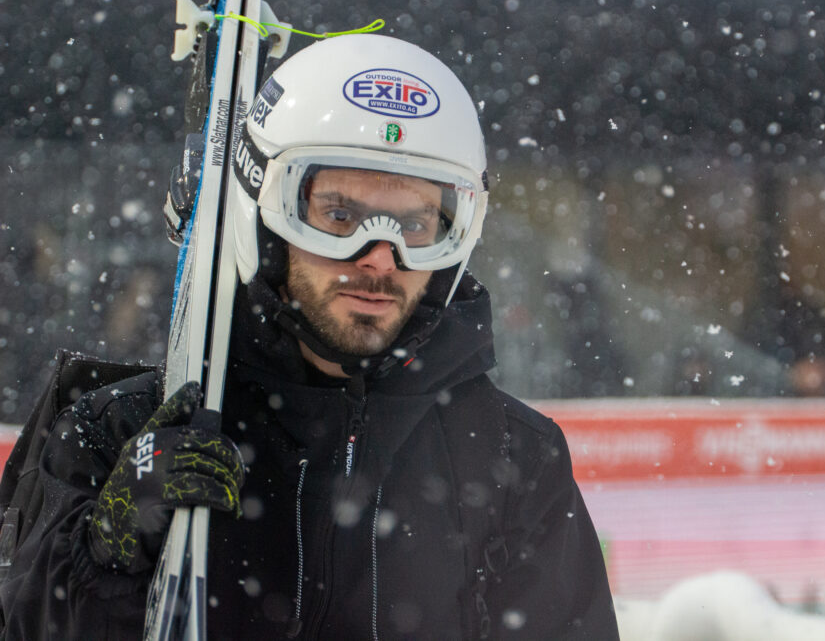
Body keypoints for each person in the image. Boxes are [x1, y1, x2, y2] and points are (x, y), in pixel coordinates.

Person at [0, 35, 618, 639]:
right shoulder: (118, 432)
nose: (380, 258)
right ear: (266, 214)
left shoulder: (513, 459)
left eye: (417, 224)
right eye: (339, 216)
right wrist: (103, 555)